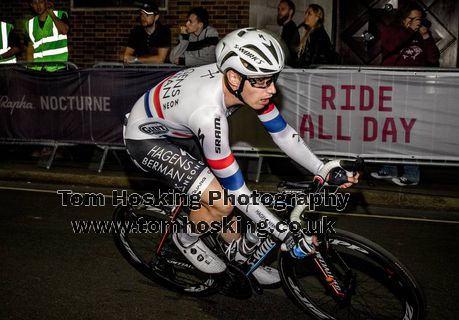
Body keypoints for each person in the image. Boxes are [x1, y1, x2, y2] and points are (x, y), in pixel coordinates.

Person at [124, 28, 358, 284]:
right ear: (234, 79)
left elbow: (282, 134)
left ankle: (238, 255)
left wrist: (321, 168)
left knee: (225, 195)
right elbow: (236, 191)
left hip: (180, 130)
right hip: (147, 138)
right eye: (263, 81)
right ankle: (186, 237)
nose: (271, 90)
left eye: (273, 79)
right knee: (223, 201)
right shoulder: (208, 113)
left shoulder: (245, 81)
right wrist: (284, 234)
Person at [372, 4, 440, 186]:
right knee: (390, 130)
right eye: (413, 18)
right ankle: (390, 168)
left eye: (419, 18)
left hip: (413, 92)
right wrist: (409, 31)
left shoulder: (421, 35)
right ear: (404, 18)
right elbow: (390, 45)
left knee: (409, 132)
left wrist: (426, 36)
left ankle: (411, 174)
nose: (417, 22)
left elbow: (433, 59)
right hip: (391, 88)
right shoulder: (392, 31)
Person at [24, 0, 70, 71]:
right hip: (38, 70)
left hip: (58, 68)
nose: (38, 6)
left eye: (41, 2)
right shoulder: (29, 24)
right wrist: (29, 69)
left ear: (46, 2)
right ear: (31, 5)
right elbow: (30, 50)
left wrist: (51, 13)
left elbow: (64, 31)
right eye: (35, 3)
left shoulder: (60, 15)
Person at [276, 0, 300, 65]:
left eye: (283, 9)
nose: (279, 12)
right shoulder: (287, 26)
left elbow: (287, 51)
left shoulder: (290, 28)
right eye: (279, 9)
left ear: (291, 12)